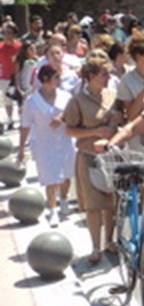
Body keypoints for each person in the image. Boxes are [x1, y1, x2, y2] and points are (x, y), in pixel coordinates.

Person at [64, 56, 123, 264]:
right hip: (88, 157)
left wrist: (115, 124)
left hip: (111, 156)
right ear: (90, 76)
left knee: (111, 202)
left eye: (109, 73)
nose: (108, 78)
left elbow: (121, 121)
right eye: (104, 74)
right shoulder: (77, 101)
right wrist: (95, 132)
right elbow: (69, 130)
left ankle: (109, 241)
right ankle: (95, 247)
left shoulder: (112, 95)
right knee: (93, 205)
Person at [17, 64, 76, 226]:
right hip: (44, 143)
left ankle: (64, 200)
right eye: (56, 77)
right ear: (45, 79)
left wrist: (62, 118)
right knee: (50, 177)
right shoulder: (32, 102)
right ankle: (53, 209)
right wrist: (21, 148)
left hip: (65, 141)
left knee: (66, 175)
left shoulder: (65, 96)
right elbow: (25, 125)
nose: (59, 80)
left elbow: (73, 114)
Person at [0, 22, 23, 129]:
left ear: (14, 33)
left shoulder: (19, 46)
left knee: (20, 99)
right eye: (5, 33)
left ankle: (22, 120)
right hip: (5, 77)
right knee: (7, 100)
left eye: (10, 32)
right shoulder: (0, 47)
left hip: (18, 77)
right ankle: (10, 120)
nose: (7, 35)